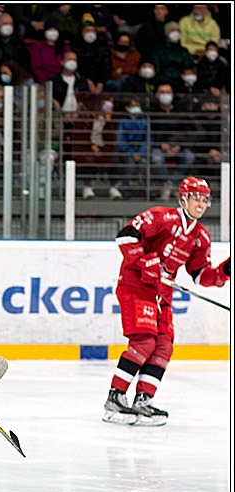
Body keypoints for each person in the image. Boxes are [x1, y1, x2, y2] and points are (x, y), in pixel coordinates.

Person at [103, 177, 229, 426]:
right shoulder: (161, 217)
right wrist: (145, 262)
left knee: (163, 346)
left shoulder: (200, 237)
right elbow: (126, 237)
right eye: (196, 198)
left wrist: (226, 270)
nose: (201, 204)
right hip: (136, 285)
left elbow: (201, 275)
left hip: (162, 295)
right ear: (183, 198)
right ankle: (114, 399)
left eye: (205, 200)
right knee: (144, 341)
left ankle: (143, 400)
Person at [148, 84, 194, 199]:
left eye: (168, 92)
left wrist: (179, 146)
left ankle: (170, 184)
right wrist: (161, 145)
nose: (166, 95)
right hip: (160, 147)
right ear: (157, 95)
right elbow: (150, 132)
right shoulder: (152, 113)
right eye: (163, 92)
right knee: (156, 159)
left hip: (178, 147)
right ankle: (168, 184)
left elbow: (187, 131)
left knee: (189, 157)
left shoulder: (180, 111)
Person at [115, 98, 149, 194]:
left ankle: (148, 190)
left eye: (137, 106)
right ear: (127, 108)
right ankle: (125, 187)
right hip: (127, 152)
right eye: (133, 106)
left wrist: (141, 152)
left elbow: (148, 139)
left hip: (141, 152)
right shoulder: (123, 121)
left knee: (144, 161)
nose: (136, 108)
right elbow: (121, 140)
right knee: (130, 161)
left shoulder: (144, 121)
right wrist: (132, 152)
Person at [29, 19, 69, 83]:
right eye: (50, 30)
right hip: (45, 80)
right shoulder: (38, 46)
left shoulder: (65, 46)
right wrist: (46, 82)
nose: (53, 32)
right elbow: (36, 68)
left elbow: (69, 63)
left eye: (55, 30)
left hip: (62, 80)